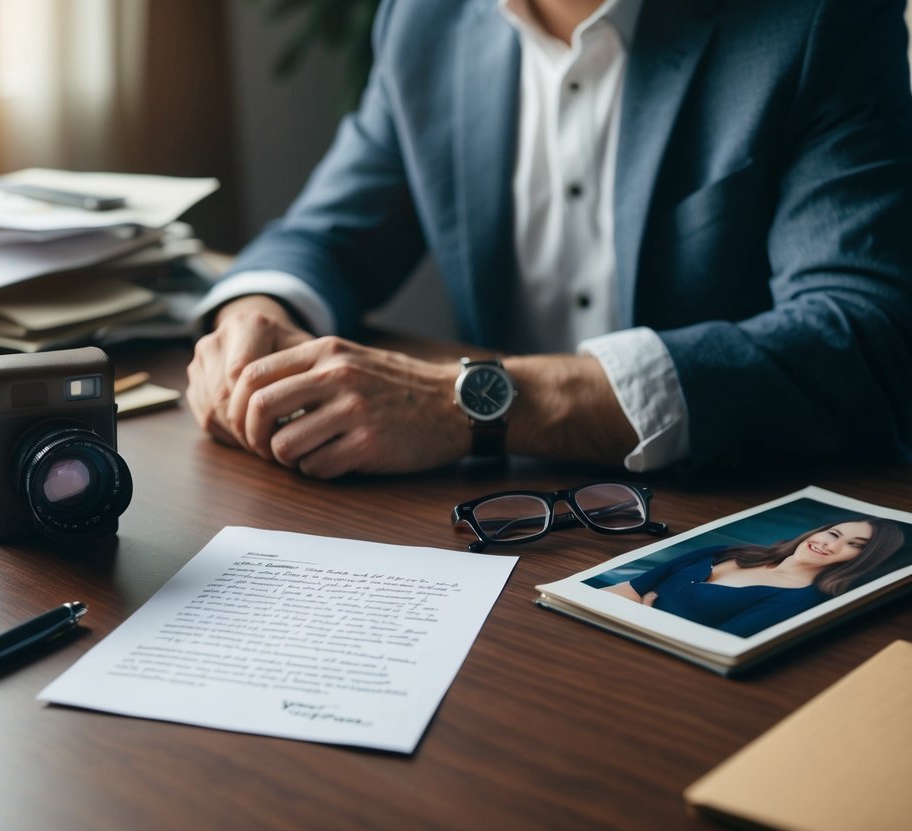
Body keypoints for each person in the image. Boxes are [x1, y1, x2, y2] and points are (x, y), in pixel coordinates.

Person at [186, 0, 912, 480]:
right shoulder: (425, 19)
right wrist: (255, 312)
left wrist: (470, 403)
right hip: (505, 518)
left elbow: (861, 332)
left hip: (733, 504)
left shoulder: (818, 19)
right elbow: (326, 233)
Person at [600, 517, 907, 637]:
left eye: (854, 546)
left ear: (865, 560)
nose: (831, 544)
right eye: (833, 533)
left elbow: (718, 646)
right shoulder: (727, 551)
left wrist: (643, 611)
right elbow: (622, 589)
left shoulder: (801, 598)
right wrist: (639, 608)